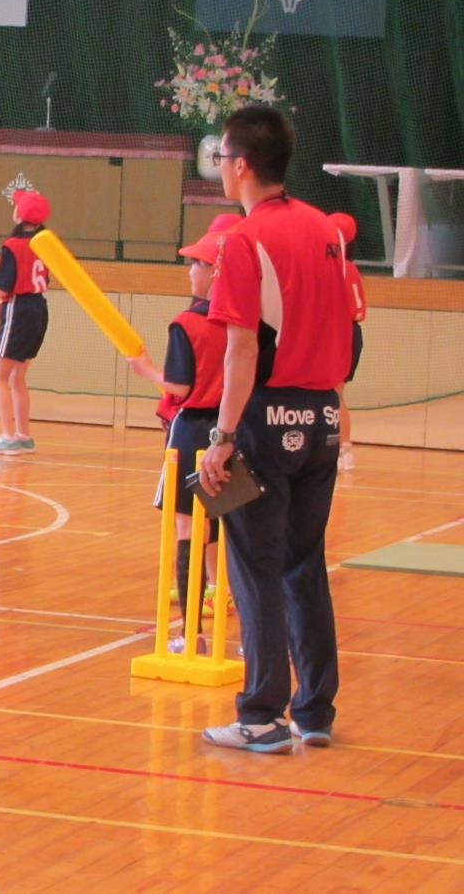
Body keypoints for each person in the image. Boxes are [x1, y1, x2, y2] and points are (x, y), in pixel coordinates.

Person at [198, 105, 351, 754]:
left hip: (265, 417)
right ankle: (313, 708)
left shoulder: (242, 238)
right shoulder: (326, 232)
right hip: (321, 417)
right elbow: (348, 333)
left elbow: (239, 349)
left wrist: (221, 435)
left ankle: (260, 713)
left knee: (255, 568)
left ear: (238, 165)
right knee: (301, 564)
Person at [128, 213, 238, 654]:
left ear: (214, 273)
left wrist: (145, 369)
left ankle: (192, 634)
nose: (191, 270)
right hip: (231, 428)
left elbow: (179, 386)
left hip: (192, 431)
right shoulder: (244, 323)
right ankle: (253, 636)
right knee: (232, 533)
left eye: (197, 264)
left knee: (187, 531)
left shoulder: (187, 323)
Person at [0, 189, 50, 454]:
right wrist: (6, 301)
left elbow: (4, 283)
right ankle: (23, 435)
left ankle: (8, 437)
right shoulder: (45, 242)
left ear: (19, 214)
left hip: (19, 308)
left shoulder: (13, 245)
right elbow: (31, 280)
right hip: (39, 307)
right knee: (18, 376)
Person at [327, 212, 366, 473]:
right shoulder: (351, 269)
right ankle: (343, 449)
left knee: (333, 395)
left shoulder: (336, 267)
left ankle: (341, 449)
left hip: (338, 333)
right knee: (335, 395)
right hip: (351, 332)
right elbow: (360, 311)